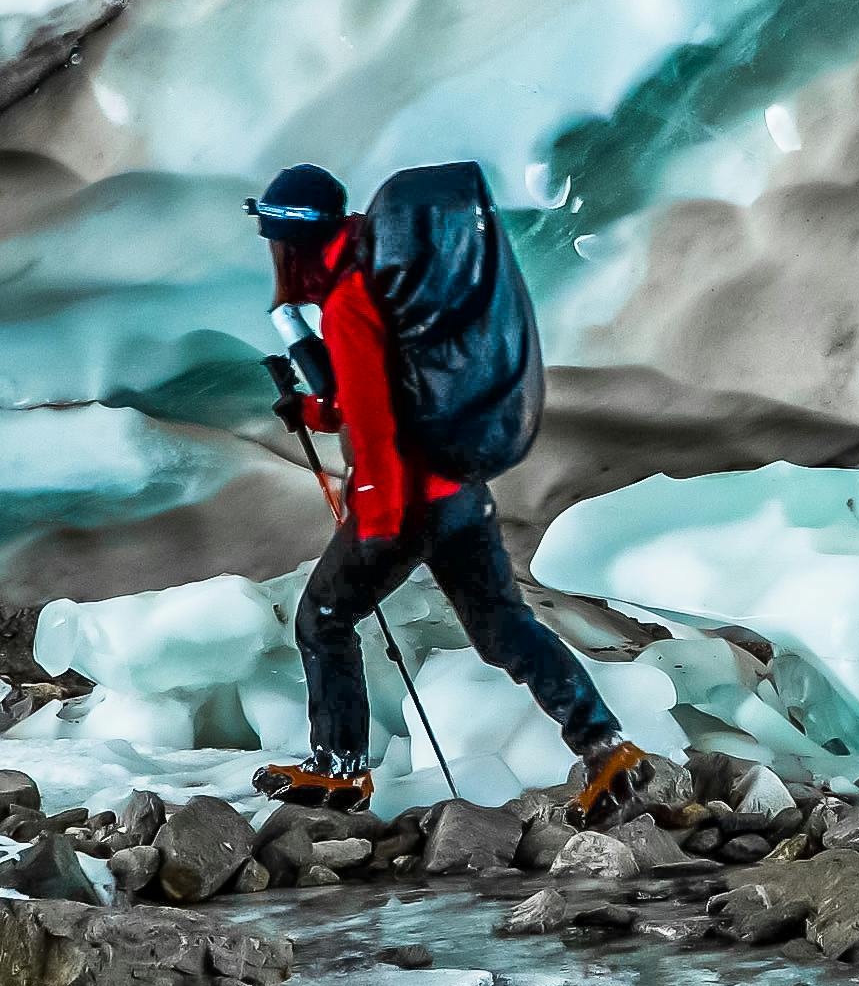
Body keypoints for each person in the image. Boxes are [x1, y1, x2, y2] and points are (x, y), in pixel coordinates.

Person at [243, 162, 647, 817]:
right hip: (460, 488)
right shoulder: (385, 277)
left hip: (406, 501)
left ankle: (341, 767)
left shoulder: (349, 302)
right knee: (506, 626)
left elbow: (376, 425)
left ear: (296, 244)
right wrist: (317, 413)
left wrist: (375, 515)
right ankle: (606, 744)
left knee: (324, 615)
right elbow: (384, 392)